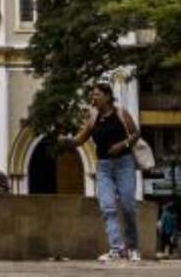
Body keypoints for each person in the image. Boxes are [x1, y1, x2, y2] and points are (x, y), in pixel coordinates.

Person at [65, 81, 141, 263]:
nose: (93, 97)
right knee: (107, 207)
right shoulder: (93, 118)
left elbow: (136, 134)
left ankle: (133, 248)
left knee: (128, 206)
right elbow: (79, 140)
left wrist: (122, 145)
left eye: (96, 94)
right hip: (104, 166)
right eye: (92, 95)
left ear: (107, 96)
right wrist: (65, 140)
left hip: (124, 164)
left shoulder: (121, 113)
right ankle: (116, 248)